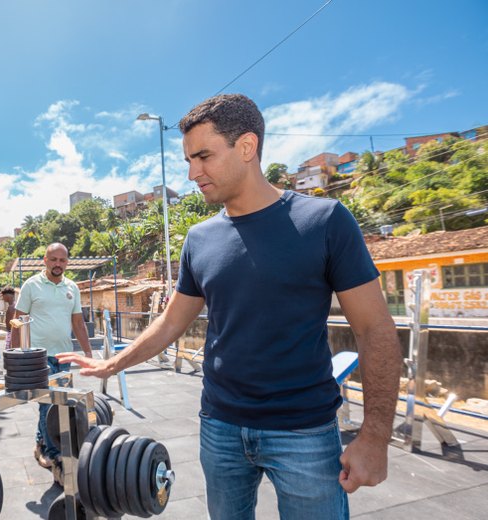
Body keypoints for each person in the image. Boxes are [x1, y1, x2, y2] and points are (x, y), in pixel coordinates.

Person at [58, 94, 402, 518]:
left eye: (203, 156)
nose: (191, 173)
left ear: (246, 147)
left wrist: (375, 436)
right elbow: (170, 323)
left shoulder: (325, 222)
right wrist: (113, 364)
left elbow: (376, 330)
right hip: (220, 428)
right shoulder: (199, 239)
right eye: (187, 159)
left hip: (305, 432)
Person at [16, 243, 93, 486]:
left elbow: (78, 322)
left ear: (67, 262)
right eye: (54, 259)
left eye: (62, 260)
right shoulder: (31, 285)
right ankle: (52, 453)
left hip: (65, 357)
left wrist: (88, 355)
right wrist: (17, 356)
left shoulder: (72, 288)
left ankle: (40, 442)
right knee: (48, 405)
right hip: (38, 356)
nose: (58, 264)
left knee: (60, 404)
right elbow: (18, 321)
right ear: (45, 260)